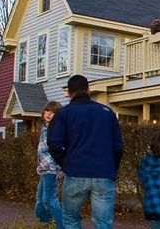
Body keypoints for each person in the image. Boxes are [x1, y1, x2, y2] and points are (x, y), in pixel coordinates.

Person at [48, 75, 124, 229]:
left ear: (69, 93)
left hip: (75, 172)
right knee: (103, 224)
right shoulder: (107, 113)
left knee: (70, 219)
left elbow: (54, 144)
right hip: (103, 173)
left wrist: (66, 163)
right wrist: (111, 169)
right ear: (88, 90)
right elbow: (118, 146)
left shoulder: (63, 114)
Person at [35, 101, 65, 229]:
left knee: (49, 199)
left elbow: (60, 149)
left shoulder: (57, 129)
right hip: (43, 169)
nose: (49, 114)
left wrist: (58, 169)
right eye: (48, 111)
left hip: (51, 169)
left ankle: (63, 225)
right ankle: (45, 224)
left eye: (53, 113)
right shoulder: (44, 126)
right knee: (40, 203)